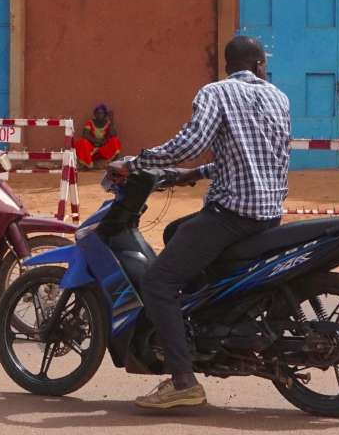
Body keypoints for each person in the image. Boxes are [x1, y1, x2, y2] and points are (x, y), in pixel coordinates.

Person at [110, 36, 290, 410]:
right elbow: (263, 159)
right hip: (268, 215)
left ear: (228, 66)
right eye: (264, 63)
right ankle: (201, 320)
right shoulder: (278, 97)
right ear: (258, 65)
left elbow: (188, 143)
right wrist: (192, 174)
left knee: (158, 281)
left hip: (232, 216)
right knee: (176, 231)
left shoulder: (217, 92)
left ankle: (182, 381)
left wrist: (138, 162)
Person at [76, 104, 122, 170]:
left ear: (105, 115)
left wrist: (112, 122)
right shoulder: (90, 122)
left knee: (115, 141)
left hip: (103, 150)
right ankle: (87, 164)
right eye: (97, 113)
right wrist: (98, 141)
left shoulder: (108, 123)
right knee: (82, 142)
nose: (99, 115)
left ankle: (112, 164)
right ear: (94, 114)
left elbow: (114, 135)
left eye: (101, 113)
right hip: (91, 150)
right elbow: (85, 135)